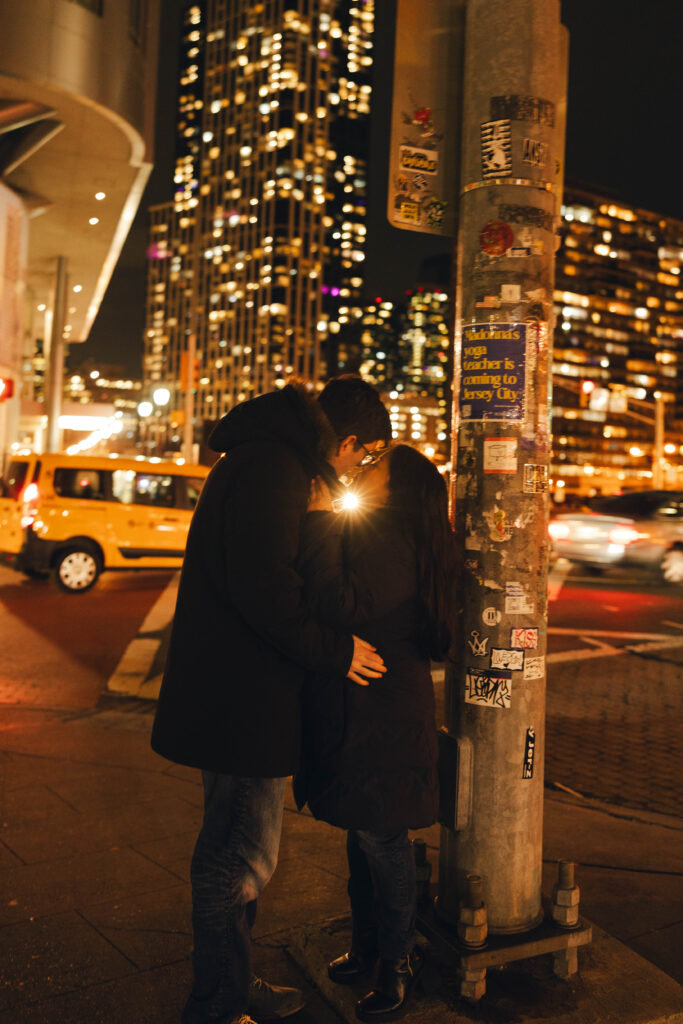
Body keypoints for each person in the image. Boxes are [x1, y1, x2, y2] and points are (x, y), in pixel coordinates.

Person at [151, 377, 392, 1024]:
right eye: (363, 457)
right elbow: (267, 592)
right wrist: (336, 651)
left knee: (239, 850)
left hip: (238, 694)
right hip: (241, 699)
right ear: (346, 442)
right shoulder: (275, 468)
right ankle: (217, 1005)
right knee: (238, 855)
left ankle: (231, 982)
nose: (357, 471)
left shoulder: (265, 459)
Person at [296, 444, 457, 1023]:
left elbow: (345, 602)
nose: (368, 465)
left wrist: (317, 522)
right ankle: (369, 949)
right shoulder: (386, 529)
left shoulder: (393, 538)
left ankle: (396, 962)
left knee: (381, 838)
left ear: (401, 485)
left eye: (379, 463)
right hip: (370, 704)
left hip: (383, 710)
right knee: (360, 830)